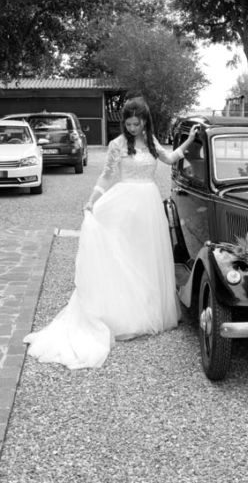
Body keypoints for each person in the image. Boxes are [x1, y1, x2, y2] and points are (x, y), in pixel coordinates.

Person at [23, 96, 199, 369]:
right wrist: (92, 200)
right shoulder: (117, 145)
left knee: (146, 257)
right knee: (124, 256)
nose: (132, 128)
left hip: (149, 205)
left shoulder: (151, 141)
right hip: (125, 203)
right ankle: (124, 313)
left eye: (136, 124)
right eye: (128, 124)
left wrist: (190, 141)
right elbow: (106, 175)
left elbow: (171, 158)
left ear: (145, 122)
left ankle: (147, 309)